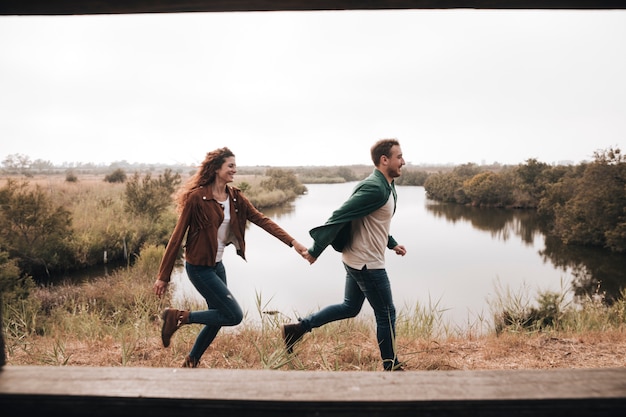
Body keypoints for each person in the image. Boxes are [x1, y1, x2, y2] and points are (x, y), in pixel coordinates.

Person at [153, 146, 308, 368]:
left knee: (218, 316)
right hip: (198, 267)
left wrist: (293, 243)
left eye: (235, 166)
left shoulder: (235, 198)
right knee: (233, 315)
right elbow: (177, 238)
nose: (235, 170)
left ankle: (191, 362)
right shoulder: (197, 198)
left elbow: (262, 220)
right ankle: (178, 317)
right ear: (217, 168)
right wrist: (163, 276)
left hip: (217, 266)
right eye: (231, 166)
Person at [283, 138, 407, 371]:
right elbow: (339, 216)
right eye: (399, 157)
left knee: (350, 307)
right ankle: (392, 367)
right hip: (367, 263)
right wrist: (315, 251)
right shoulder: (374, 186)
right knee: (386, 313)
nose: (403, 161)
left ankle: (297, 329)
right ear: (384, 160)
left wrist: (392, 243)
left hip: (357, 259)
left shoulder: (387, 185)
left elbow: (373, 220)